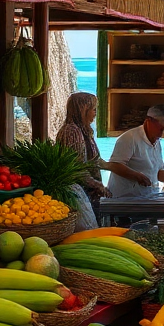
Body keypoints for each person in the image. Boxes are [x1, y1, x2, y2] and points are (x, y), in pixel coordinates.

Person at [106, 105, 164, 198]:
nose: (161, 134)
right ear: (149, 121)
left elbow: (159, 171)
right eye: (160, 129)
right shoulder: (129, 138)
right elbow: (114, 165)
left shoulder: (157, 141)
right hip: (124, 198)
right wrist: (137, 176)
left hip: (147, 196)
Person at [54, 92, 110, 228]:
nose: (95, 113)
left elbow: (95, 161)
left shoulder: (83, 131)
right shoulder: (72, 132)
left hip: (85, 192)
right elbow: (75, 169)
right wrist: (97, 185)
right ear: (83, 110)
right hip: (77, 195)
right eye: (93, 109)